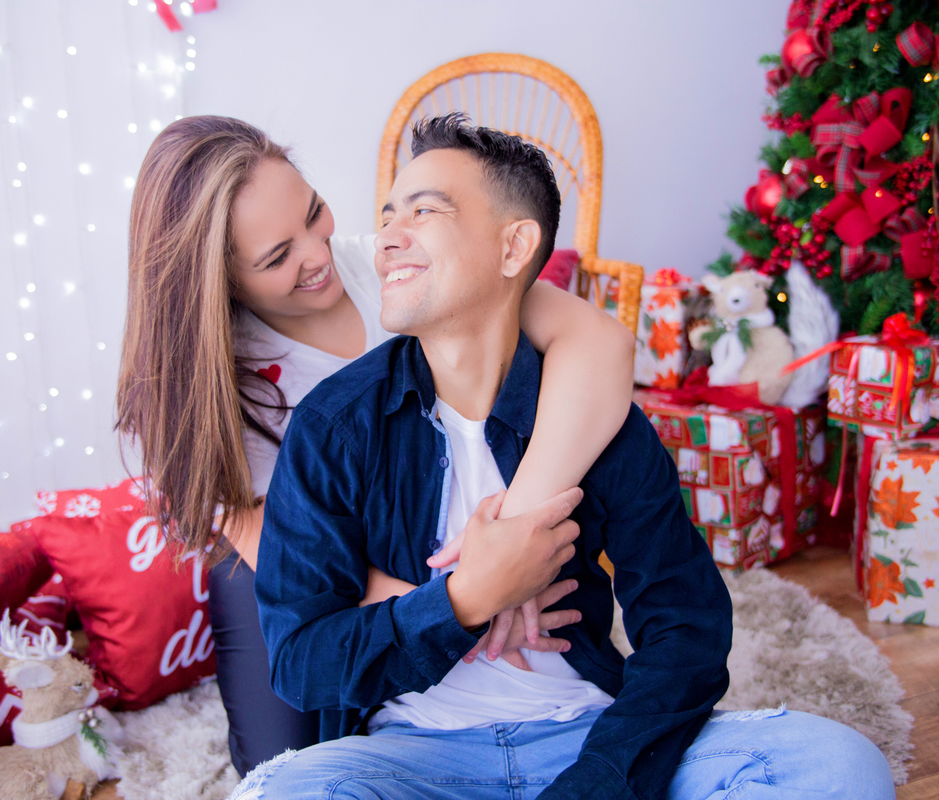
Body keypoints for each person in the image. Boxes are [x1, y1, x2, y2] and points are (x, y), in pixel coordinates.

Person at [243, 115, 896, 799]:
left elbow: (686, 626)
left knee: (840, 766)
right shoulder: (335, 427)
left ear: (514, 246)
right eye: (387, 217)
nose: (386, 239)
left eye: (423, 212)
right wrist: (462, 600)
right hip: (411, 759)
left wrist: (601, 779)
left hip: (584, 735)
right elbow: (300, 663)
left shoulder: (596, 420)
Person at [115, 116, 637, 777]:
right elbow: (295, 564)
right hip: (289, 562)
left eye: (315, 214)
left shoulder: (388, 262)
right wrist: (471, 598)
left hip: (436, 533)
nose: (319, 255)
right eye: (277, 257)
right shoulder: (205, 387)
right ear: (218, 281)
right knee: (289, 766)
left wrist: (513, 538)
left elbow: (599, 342)